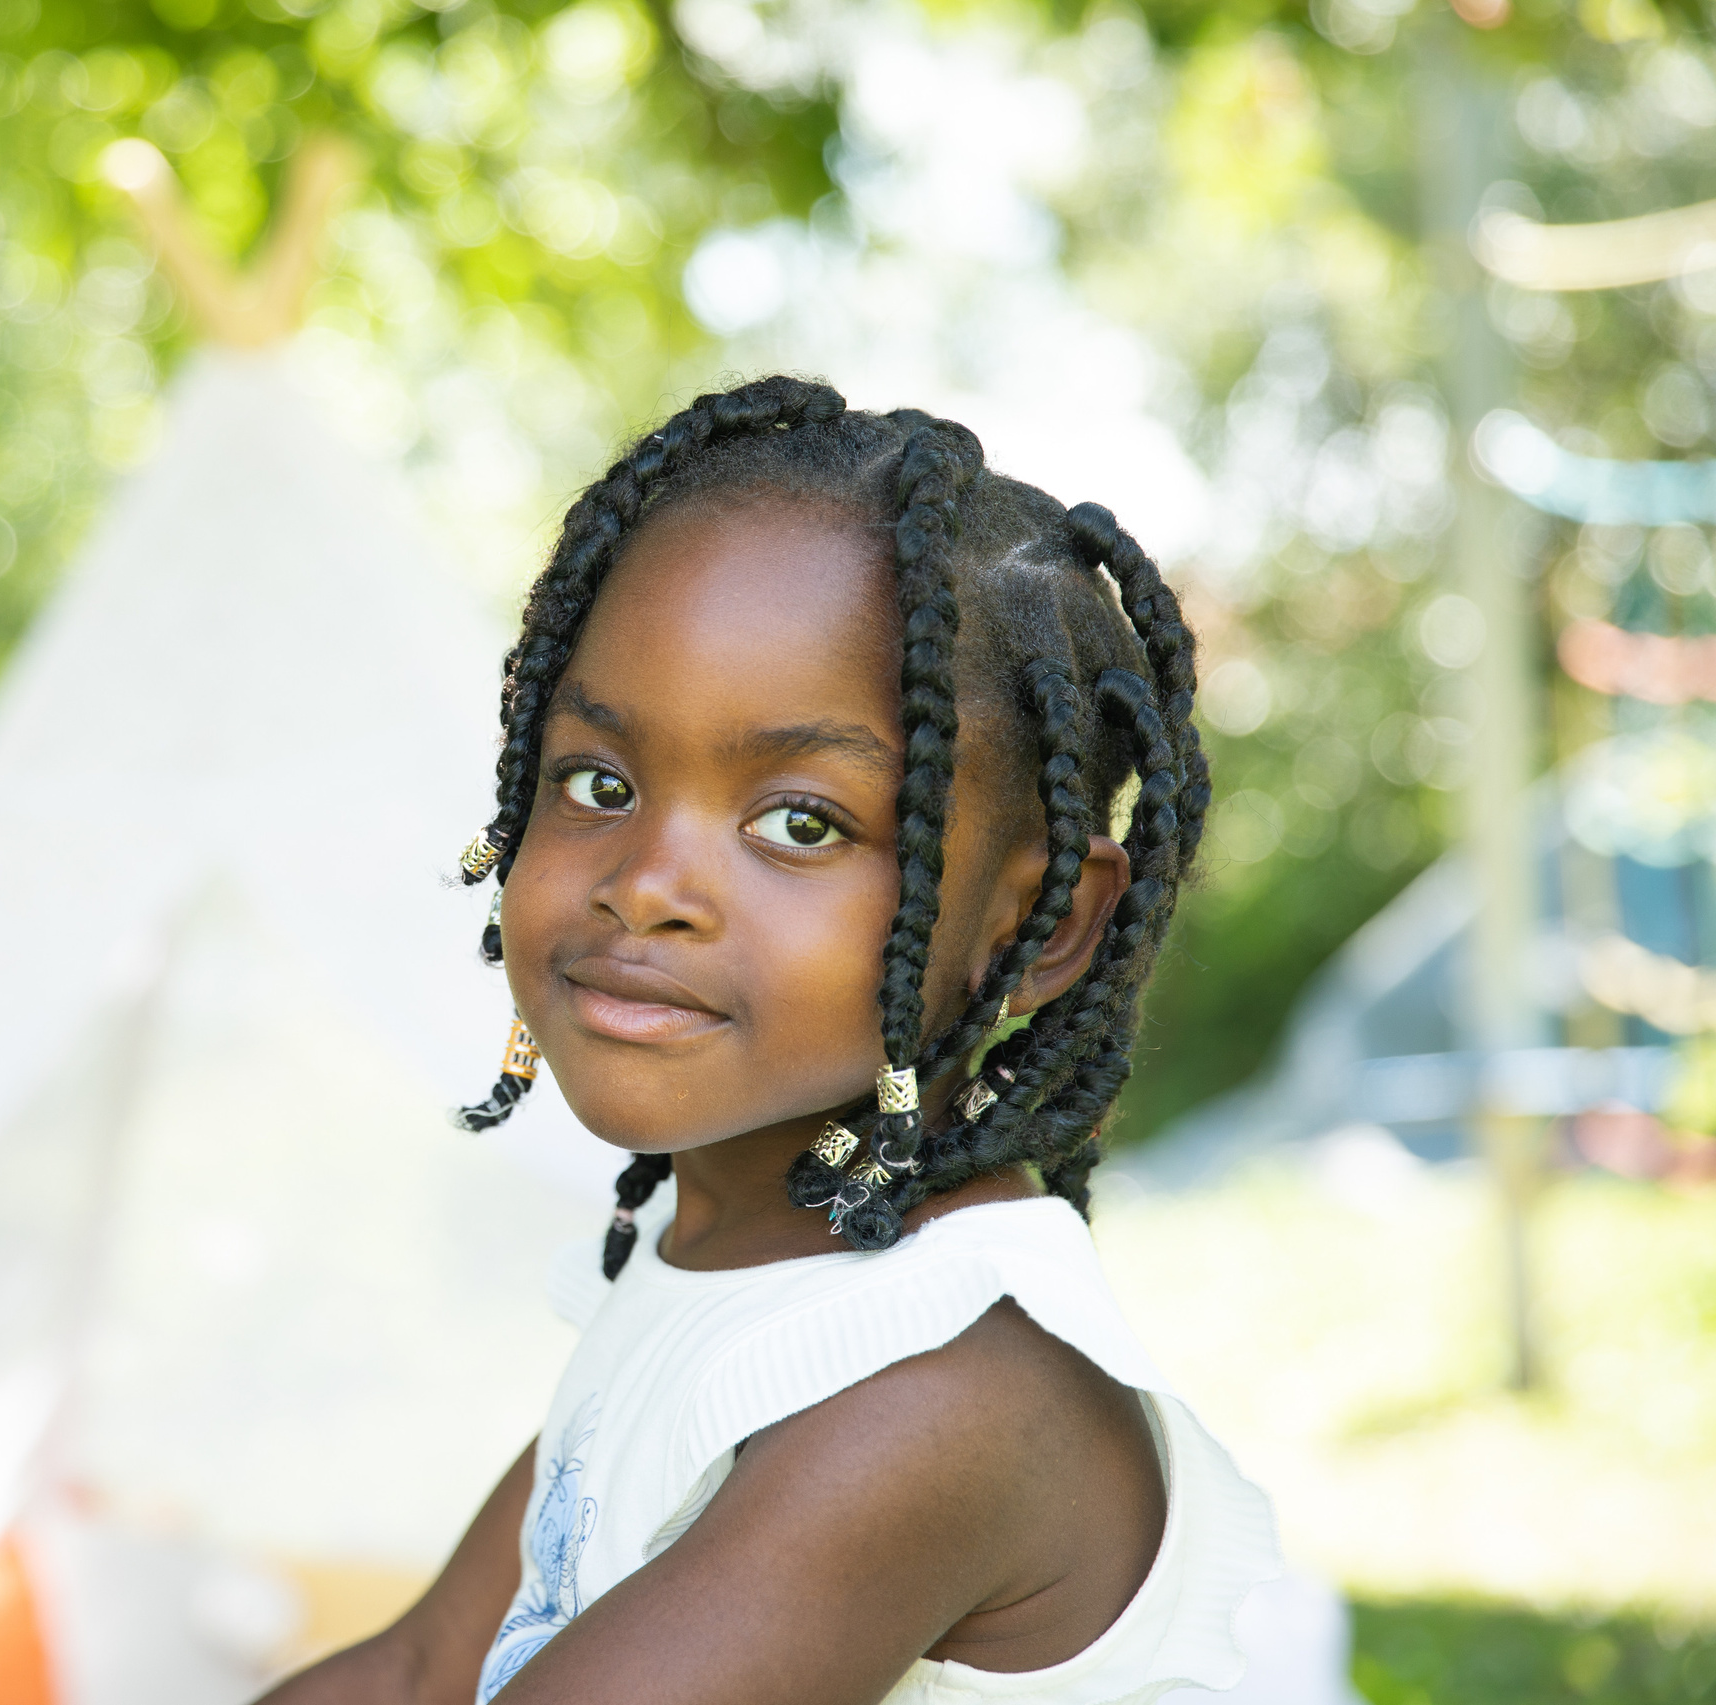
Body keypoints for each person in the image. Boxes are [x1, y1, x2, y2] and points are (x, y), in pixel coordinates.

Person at [256, 376, 1279, 1705]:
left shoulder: (937, 1391)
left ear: (1038, 923)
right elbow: (413, 1672)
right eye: (599, 783)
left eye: (802, 821)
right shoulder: (720, 1276)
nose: (646, 881)